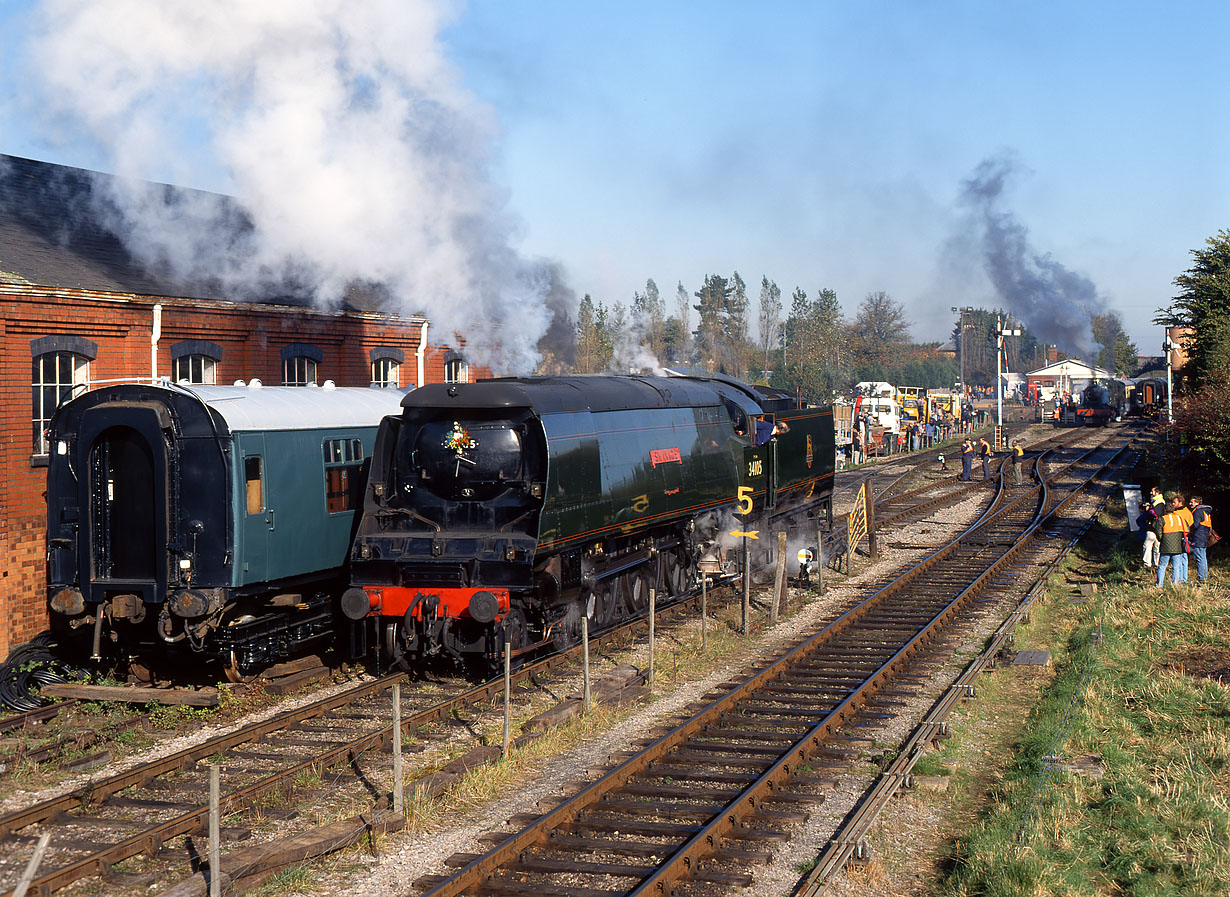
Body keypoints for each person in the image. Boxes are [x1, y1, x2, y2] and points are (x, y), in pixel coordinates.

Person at [1156, 494, 1190, 588]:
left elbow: (1158, 533)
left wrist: (1162, 540)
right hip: (1177, 547)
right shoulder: (1180, 518)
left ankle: (1159, 585)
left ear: (1165, 510)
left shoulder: (1162, 519)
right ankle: (1175, 584)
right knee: (1177, 567)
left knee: (1162, 566)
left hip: (1165, 546)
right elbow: (1187, 530)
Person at [1189, 495, 1213, 585]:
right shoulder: (1206, 512)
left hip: (1198, 536)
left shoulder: (1197, 511)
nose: (1190, 504)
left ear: (1198, 503)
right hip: (1204, 536)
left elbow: (1195, 525)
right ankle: (1204, 577)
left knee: (1199, 558)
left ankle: (1201, 578)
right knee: (1203, 557)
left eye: (1192, 502)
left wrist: (1189, 528)